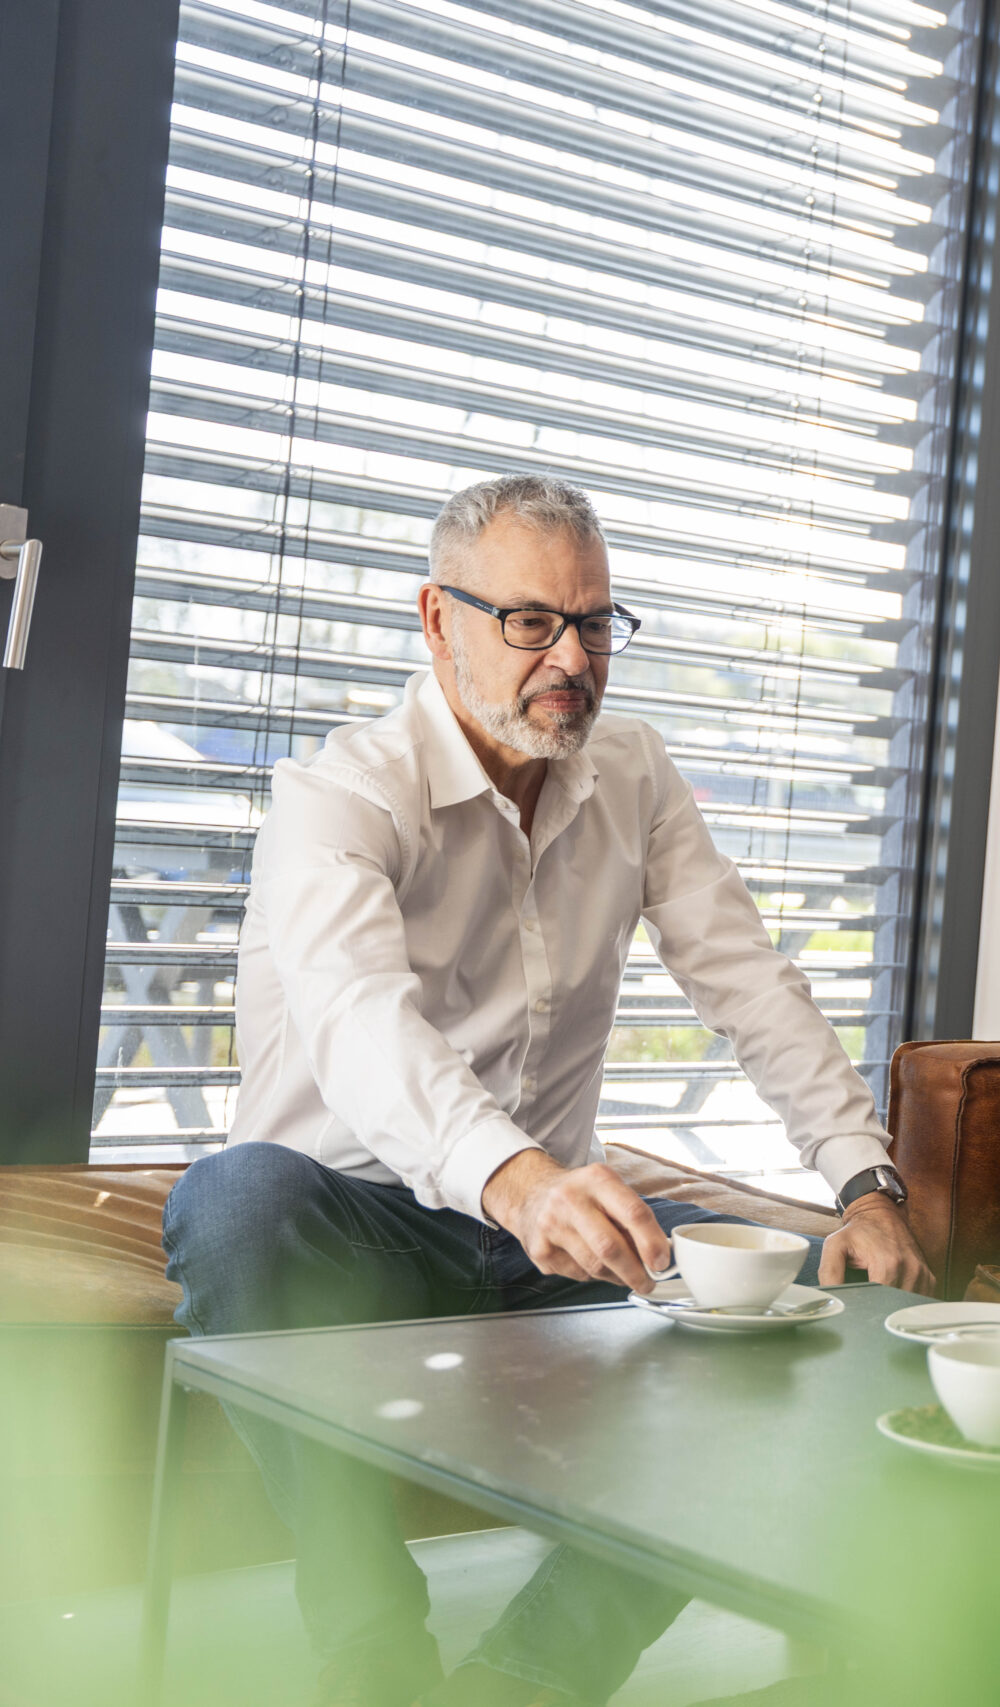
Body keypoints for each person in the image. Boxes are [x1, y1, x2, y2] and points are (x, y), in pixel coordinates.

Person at [162, 476, 937, 1707]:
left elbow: (747, 981)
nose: (570, 659)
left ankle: (532, 1677)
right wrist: (516, 1179)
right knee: (233, 1198)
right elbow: (363, 1026)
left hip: (541, 1247)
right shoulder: (337, 801)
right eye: (530, 622)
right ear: (437, 617)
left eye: (595, 622)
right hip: (352, 1220)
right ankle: (369, 1649)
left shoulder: (630, 773)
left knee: (794, 1310)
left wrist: (865, 1183)